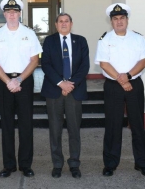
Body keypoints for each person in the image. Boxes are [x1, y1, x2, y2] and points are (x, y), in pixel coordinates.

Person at [94, 3, 145, 177]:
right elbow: (104, 63)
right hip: (113, 86)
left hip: (134, 84)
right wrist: (122, 80)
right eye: (115, 19)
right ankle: (110, 164)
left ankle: (142, 163)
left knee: (137, 124)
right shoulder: (105, 39)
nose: (119, 21)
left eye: (122, 18)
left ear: (127, 20)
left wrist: (127, 76)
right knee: (113, 125)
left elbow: (144, 62)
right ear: (111, 21)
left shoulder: (138, 38)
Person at [0, 0, 42, 178]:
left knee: (26, 124)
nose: (12, 14)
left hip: (24, 81)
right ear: (4, 14)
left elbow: (35, 60)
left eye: (15, 11)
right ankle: (8, 165)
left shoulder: (29, 33)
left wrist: (19, 80)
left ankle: (26, 164)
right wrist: (8, 81)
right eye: (9, 12)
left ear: (19, 13)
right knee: (7, 124)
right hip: (4, 82)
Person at [41, 13, 89, 179]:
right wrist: (61, 83)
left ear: (71, 23)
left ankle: (74, 163)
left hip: (74, 91)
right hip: (54, 91)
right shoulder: (49, 41)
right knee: (55, 130)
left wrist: (70, 84)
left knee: (74, 130)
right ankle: (57, 164)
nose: (63, 23)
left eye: (66, 21)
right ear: (55, 25)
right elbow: (45, 64)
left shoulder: (80, 41)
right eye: (60, 21)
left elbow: (84, 66)